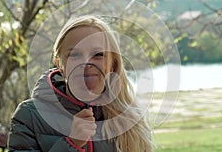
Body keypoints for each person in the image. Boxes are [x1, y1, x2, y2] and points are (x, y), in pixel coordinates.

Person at [8, 15, 153, 152]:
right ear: (59, 63)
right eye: (74, 55)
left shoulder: (130, 119)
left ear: (112, 64)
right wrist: (72, 143)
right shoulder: (29, 115)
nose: (86, 63)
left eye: (98, 55)